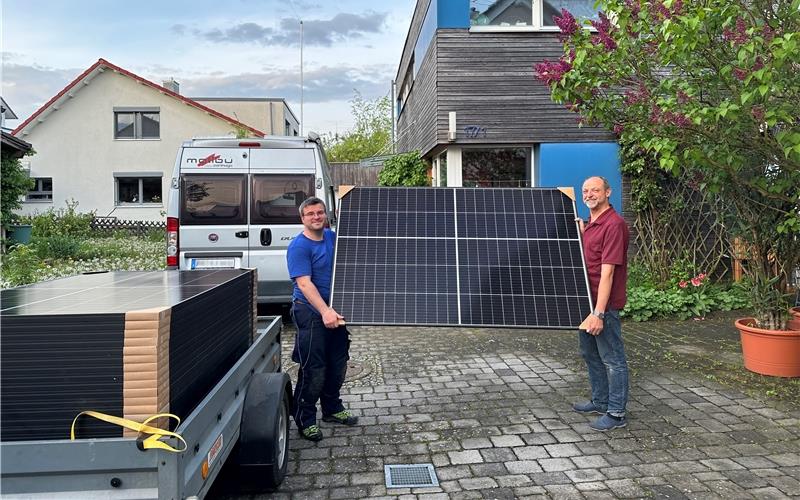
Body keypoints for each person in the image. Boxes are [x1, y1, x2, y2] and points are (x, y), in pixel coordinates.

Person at [287, 197, 358, 441]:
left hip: (335, 310)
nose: (316, 217)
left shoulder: (331, 237)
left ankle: (332, 409)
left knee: (338, 364)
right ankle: (305, 419)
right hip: (309, 311)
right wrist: (324, 311)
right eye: (311, 214)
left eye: (320, 213)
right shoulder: (299, 247)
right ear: (302, 218)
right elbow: (304, 284)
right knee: (313, 369)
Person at [574, 176, 630, 431]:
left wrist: (599, 313)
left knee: (612, 359)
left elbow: (607, 272)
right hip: (585, 300)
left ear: (608, 192)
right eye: (585, 191)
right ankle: (600, 400)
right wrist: (583, 231)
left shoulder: (614, 225)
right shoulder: (591, 224)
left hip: (602, 305)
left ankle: (616, 413)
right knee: (590, 354)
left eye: (595, 190)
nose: (589, 194)